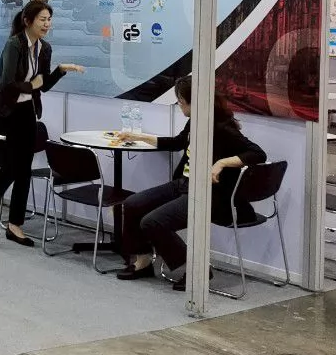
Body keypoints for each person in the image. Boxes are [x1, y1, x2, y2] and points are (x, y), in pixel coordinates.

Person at [114, 75, 267, 289]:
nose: (178, 105)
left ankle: (197, 268)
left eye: (180, 101)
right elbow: (178, 142)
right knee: (132, 204)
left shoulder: (220, 127)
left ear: (193, 102)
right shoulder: (195, 120)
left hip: (210, 194)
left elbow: (258, 154)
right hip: (184, 184)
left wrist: (221, 163)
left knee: (152, 221)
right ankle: (143, 262)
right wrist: (139, 137)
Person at [0, 0, 84, 246]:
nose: (47, 24)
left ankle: (15, 225)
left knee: (24, 170)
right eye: (42, 19)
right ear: (27, 21)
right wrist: (32, 85)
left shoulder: (45, 48)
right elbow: (6, 83)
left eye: (49, 19)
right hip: (6, 113)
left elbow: (45, 85)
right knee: (8, 168)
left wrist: (60, 70)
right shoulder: (14, 44)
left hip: (27, 112)